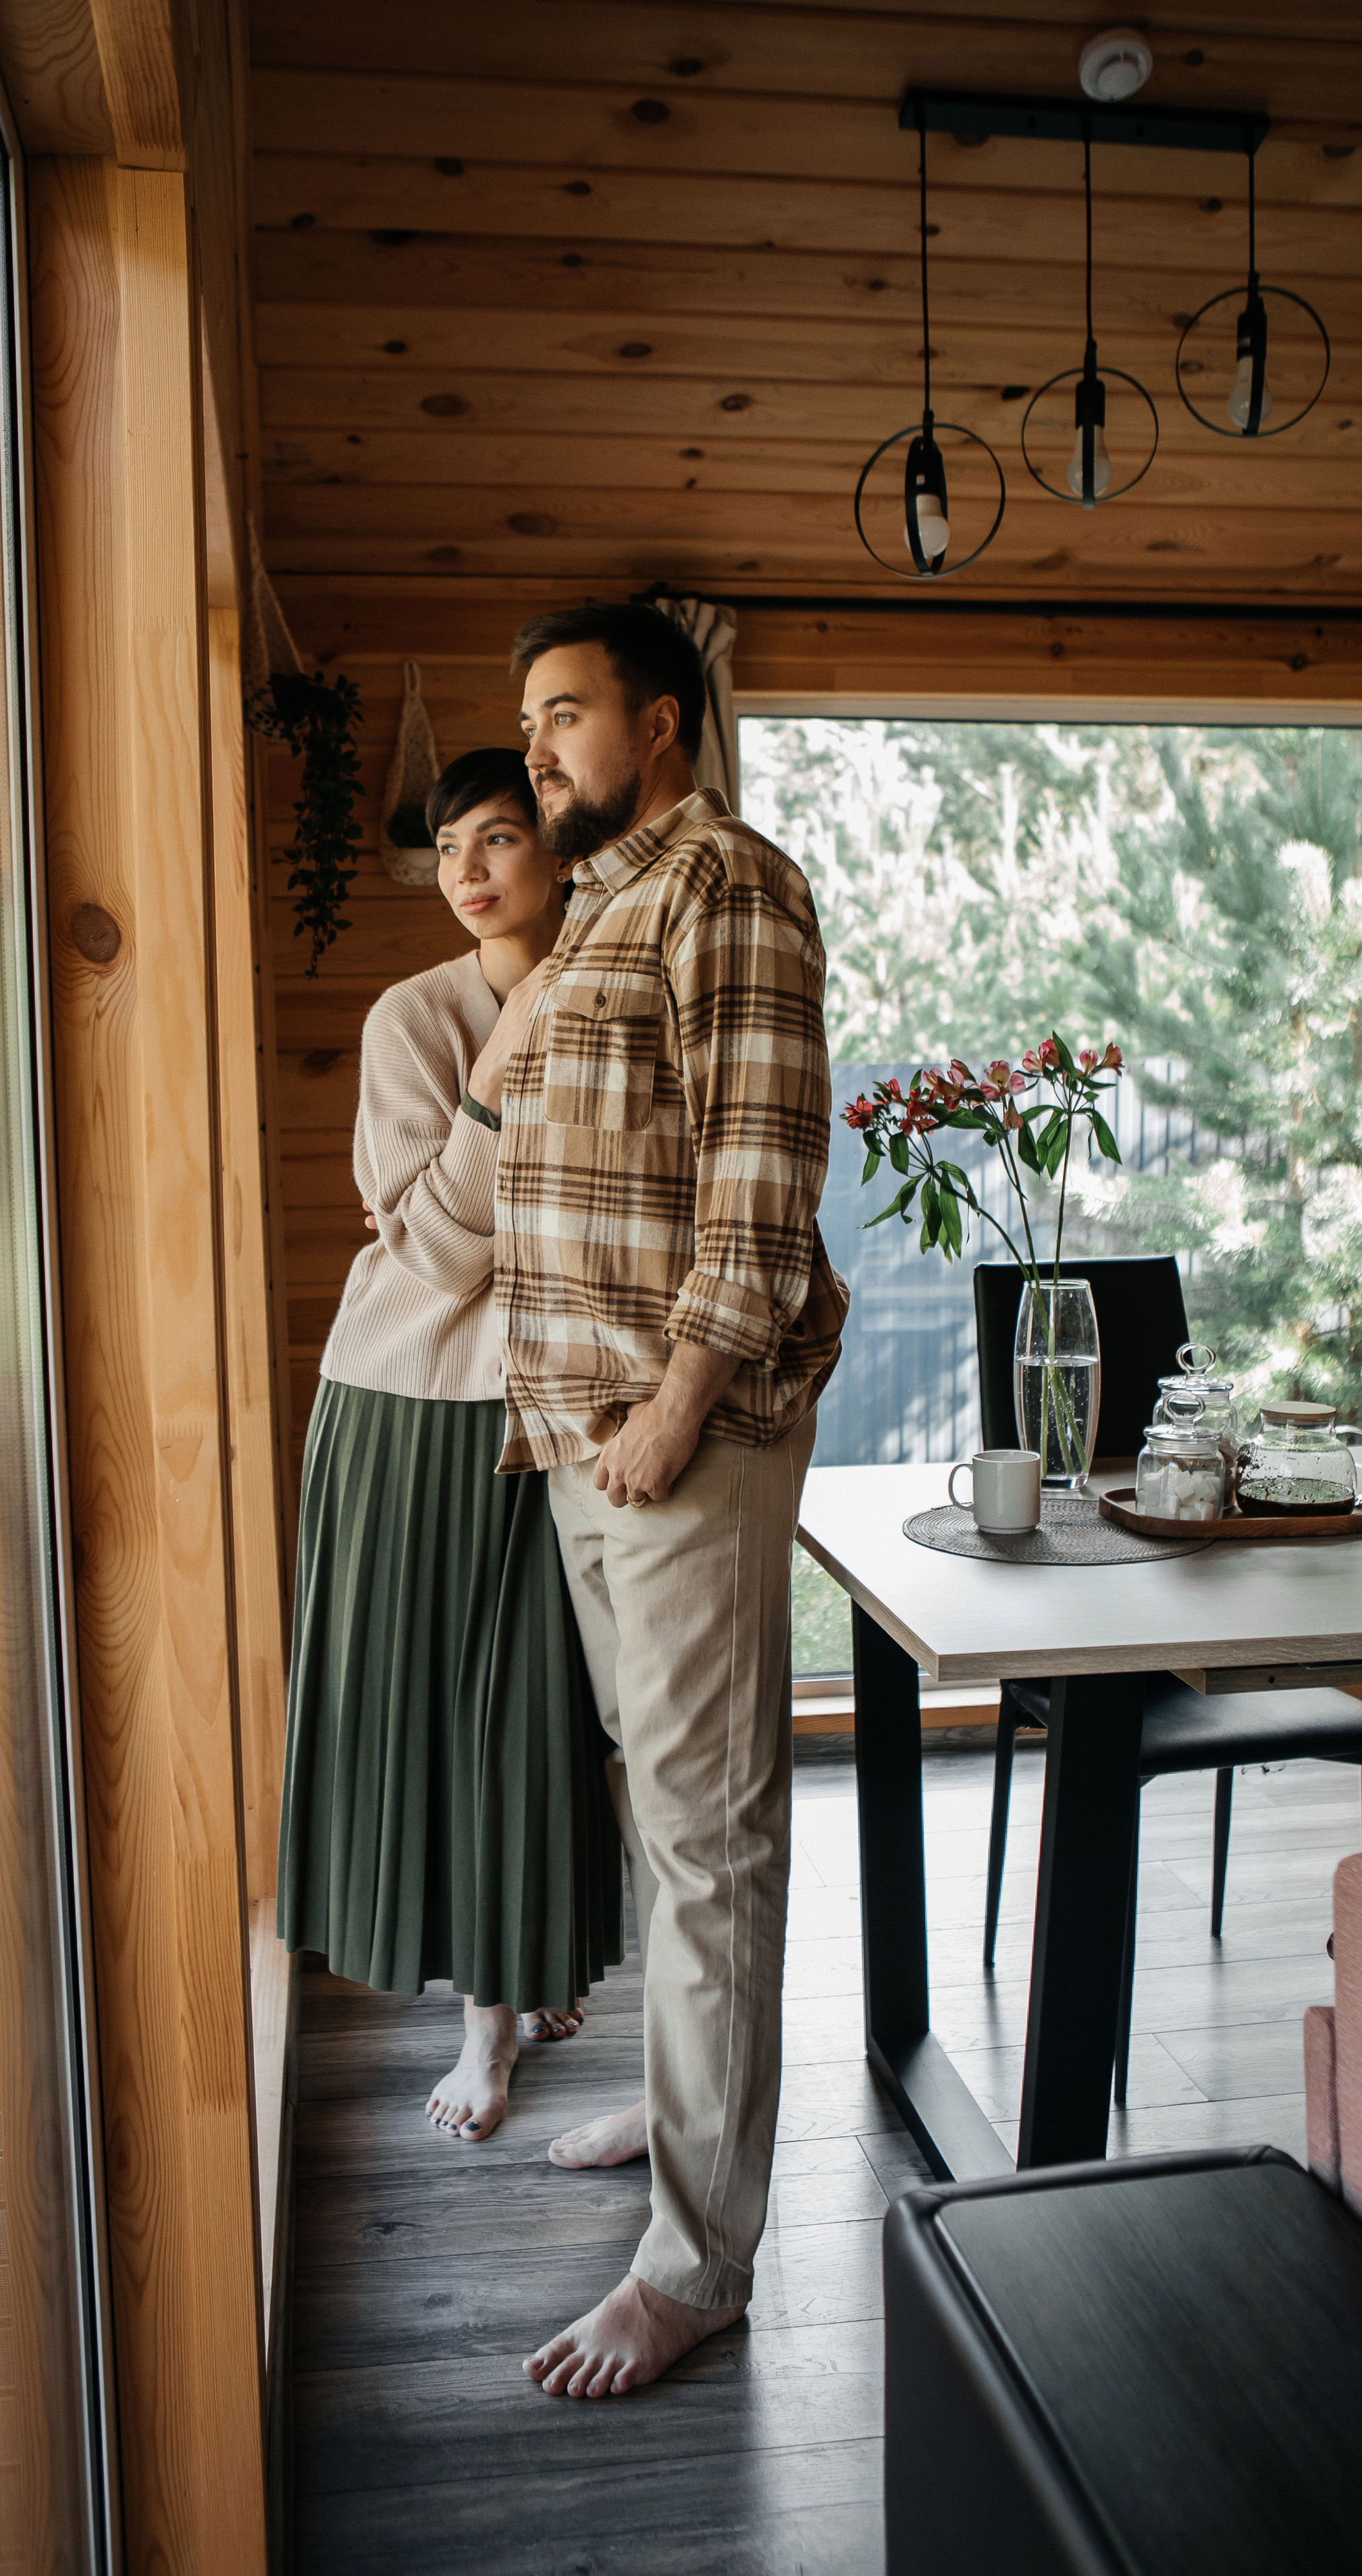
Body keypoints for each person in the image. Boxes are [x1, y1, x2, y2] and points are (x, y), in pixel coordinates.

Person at [492, 603, 848, 2394]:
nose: (540, 747)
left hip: (678, 1431)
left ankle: (701, 2262)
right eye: (530, 720)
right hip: (580, 1431)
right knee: (664, 1812)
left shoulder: (730, 885)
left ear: (662, 723)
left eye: (567, 716)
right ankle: (674, 2113)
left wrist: (683, 1399)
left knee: (710, 1841)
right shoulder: (598, 911)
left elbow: (763, 1175)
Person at [278, 747, 624, 2143]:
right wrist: (504, 1054)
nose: (468, 872)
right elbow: (424, 1246)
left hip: (568, 1405)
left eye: (497, 839)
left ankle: (523, 1977)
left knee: (536, 1715)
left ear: (556, 849)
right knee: (428, 1713)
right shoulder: (409, 1018)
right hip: (411, 1405)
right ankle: (480, 2029)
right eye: (446, 848)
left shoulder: (617, 994)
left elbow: (599, 1217)